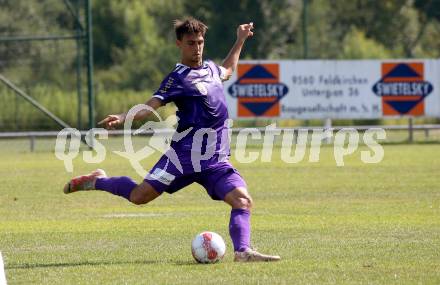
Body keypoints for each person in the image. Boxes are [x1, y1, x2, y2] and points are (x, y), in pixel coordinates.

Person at [63, 17, 280, 262]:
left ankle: (243, 252)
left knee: (242, 200)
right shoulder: (177, 79)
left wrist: (239, 40)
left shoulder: (211, 69)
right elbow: (149, 107)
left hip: (215, 161)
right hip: (182, 159)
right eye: (191, 43)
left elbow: (228, 69)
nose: (197, 48)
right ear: (179, 44)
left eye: (200, 42)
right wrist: (124, 116)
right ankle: (98, 181)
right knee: (139, 196)